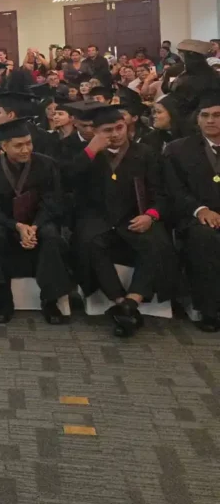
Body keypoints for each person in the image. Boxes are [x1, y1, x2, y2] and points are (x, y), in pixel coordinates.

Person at [69, 104, 174, 337]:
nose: (116, 134)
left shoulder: (145, 153)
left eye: (119, 127)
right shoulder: (85, 154)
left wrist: (150, 215)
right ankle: (118, 299)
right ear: (95, 132)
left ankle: (131, 301)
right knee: (90, 242)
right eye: (107, 130)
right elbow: (66, 180)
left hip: (135, 216)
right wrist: (90, 151)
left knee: (157, 243)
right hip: (97, 217)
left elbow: (161, 194)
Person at [0, 119, 72, 324]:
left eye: (29, 143)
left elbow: (53, 202)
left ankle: (50, 300)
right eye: (19, 145)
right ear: (4, 146)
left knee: (51, 235)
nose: (26, 149)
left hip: (39, 221)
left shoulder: (46, 165)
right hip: (5, 223)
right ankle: (4, 299)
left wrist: (34, 226)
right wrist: (16, 226)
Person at [163, 94, 220, 331]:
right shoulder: (178, 150)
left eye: (217, 115)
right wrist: (200, 209)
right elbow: (174, 189)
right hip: (194, 216)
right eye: (205, 115)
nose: (210, 120)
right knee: (205, 238)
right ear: (197, 119)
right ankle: (210, 311)